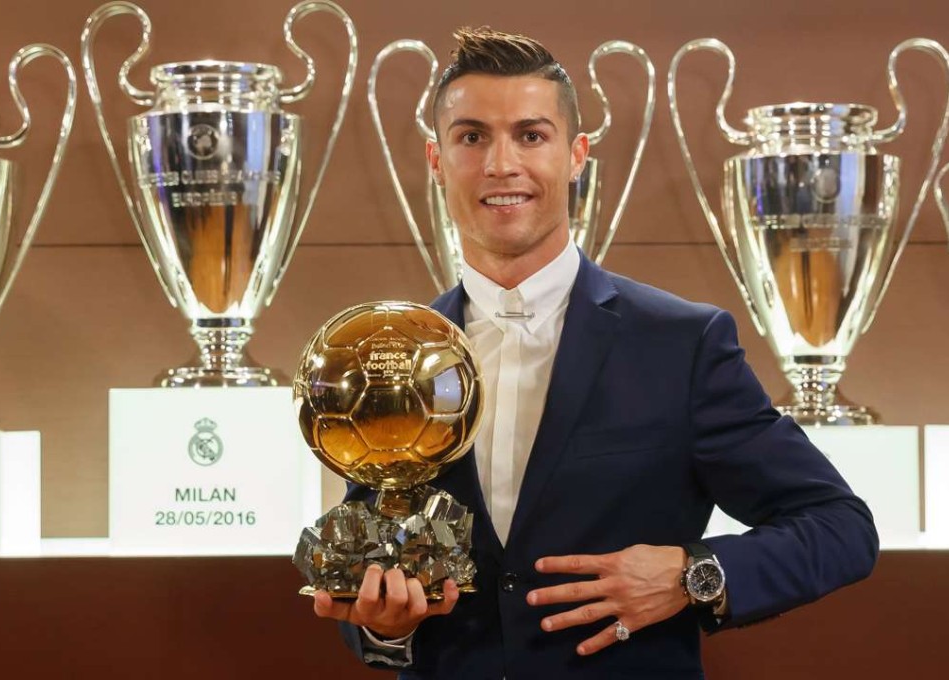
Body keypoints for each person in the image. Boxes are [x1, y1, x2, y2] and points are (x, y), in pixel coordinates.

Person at [312, 27, 878, 679]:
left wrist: (692, 573)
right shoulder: (389, 357)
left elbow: (841, 527)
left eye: (531, 135)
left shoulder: (683, 345)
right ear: (437, 160)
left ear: (576, 155)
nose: (502, 164)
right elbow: (375, 573)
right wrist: (385, 629)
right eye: (472, 137)